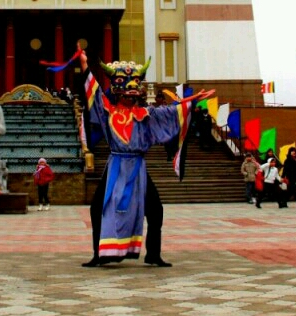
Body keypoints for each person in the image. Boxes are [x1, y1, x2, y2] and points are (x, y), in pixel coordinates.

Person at [79, 49, 213, 268]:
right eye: (125, 83)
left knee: (156, 209)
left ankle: (153, 253)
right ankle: (99, 253)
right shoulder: (108, 112)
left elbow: (171, 111)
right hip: (116, 166)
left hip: (138, 167)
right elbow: (94, 94)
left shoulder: (147, 115)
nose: (131, 89)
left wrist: (192, 102)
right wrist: (85, 65)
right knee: (97, 208)